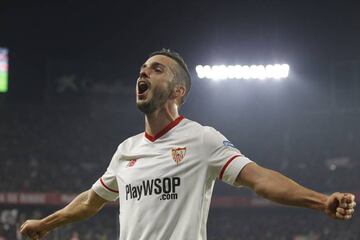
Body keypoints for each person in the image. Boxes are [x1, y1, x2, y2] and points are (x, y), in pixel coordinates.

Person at [20, 49, 356, 240]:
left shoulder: (201, 139)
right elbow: (90, 201)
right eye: (142, 70)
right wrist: (45, 224)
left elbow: (261, 179)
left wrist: (320, 200)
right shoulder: (125, 150)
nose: (144, 74)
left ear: (179, 91)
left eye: (156, 69)